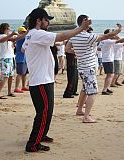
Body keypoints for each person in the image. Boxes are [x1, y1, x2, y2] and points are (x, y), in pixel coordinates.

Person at [22, 8, 90, 152]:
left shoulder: (31, 35)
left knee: (47, 111)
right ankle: (33, 143)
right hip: (41, 81)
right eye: (47, 20)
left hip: (42, 79)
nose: (48, 23)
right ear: (39, 21)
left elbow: (24, 49)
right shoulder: (38, 34)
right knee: (44, 112)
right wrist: (80, 29)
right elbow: (61, 36)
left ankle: (42, 134)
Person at [66, 15, 122, 123]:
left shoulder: (74, 35)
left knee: (85, 89)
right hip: (88, 68)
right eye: (88, 20)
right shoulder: (88, 36)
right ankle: (86, 117)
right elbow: (106, 36)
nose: (90, 22)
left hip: (82, 67)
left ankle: (79, 110)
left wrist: (78, 52)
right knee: (93, 92)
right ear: (84, 21)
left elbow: (67, 49)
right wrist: (118, 30)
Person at [0, 23, 26, 99]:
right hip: (5, 58)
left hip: (11, 57)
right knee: (5, 76)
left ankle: (9, 91)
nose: (9, 30)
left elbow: (13, 40)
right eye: (8, 29)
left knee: (11, 76)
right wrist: (26, 33)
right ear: (5, 29)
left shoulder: (7, 36)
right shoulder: (2, 36)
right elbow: (13, 39)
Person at [99, 29, 124, 95]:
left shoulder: (104, 41)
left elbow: (99, 48)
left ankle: (106, 88)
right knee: (110, 75)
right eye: (112, 33)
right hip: (108, 60)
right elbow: (121, 41)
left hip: (107, 59)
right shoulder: (108, 41)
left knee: (110, 75)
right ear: (108, 34)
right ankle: (104, 90)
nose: (113, 34)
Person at [14, 26, 29, 93]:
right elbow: (28, 37)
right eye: (22, 32)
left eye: (24, 32)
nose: (24, 33)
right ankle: (16, 87)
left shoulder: (22, 37)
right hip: (20, 58)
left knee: (25, 73)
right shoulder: (20, 38)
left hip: (25, 58)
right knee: (20, 73)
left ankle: (23, 86)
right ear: (19, 32)